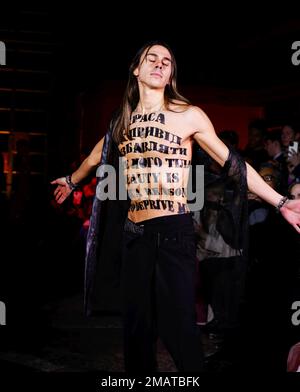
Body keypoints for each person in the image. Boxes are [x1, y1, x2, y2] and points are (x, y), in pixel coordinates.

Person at [51, 41, 300, 372]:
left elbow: (234, 164)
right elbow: (97, 155)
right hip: (134, 233)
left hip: (172, 232)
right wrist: (71, 180)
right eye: (150, 58)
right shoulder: (122, 120)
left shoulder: (188, 115)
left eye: (166, 61)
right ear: (136, 70)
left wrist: (281, 201)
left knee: (178, 328)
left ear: (170, 75)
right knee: (137, 328)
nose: (159, 63)